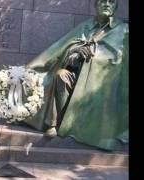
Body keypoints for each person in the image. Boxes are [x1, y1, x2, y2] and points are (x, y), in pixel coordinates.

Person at [21, 0, 128, 150]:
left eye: (111, 2)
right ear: (95, 5)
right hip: (76, 76)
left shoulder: (123, 30)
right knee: (60, 75)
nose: (107, 4)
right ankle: (54, 123)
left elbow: (118, 59)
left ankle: (74, 126)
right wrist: (75, 52)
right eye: (102, 1)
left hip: (101, 87)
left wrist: (93, 54)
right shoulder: (85, 27)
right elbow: (63, 48)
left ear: (116, 6)